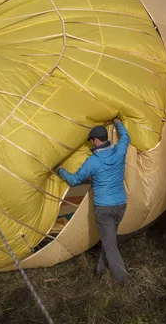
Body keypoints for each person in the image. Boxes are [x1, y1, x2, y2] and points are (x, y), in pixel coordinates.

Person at [57, 118, 130, 283]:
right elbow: (126, 137)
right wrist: (118, 123)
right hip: (120, 205)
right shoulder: (120, 151)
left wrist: (60, 170)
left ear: (96, 140)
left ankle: (122, 282)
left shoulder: (93, 161)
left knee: (110, 245)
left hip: (104, 208)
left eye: (91, 142)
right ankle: (100, 271)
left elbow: (74, 180)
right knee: (107, 239)